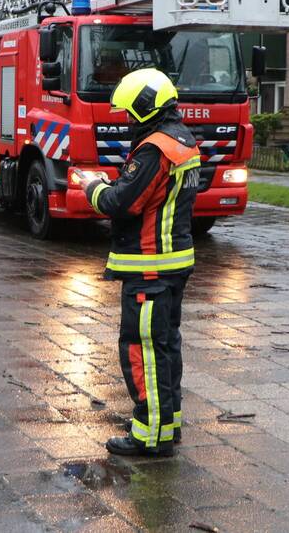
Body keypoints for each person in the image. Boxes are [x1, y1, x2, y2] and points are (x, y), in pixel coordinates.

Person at [77, 68, 200, 459]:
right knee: (165, 348)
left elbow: (121, 204)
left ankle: (149, 434)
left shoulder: (155, 148)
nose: (128, 121)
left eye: (131, 113)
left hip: (150, 267)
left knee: (142, 349)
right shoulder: (183, 141)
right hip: (172, 264)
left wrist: (91, 186)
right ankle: (168, 425)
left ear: (147, 107)